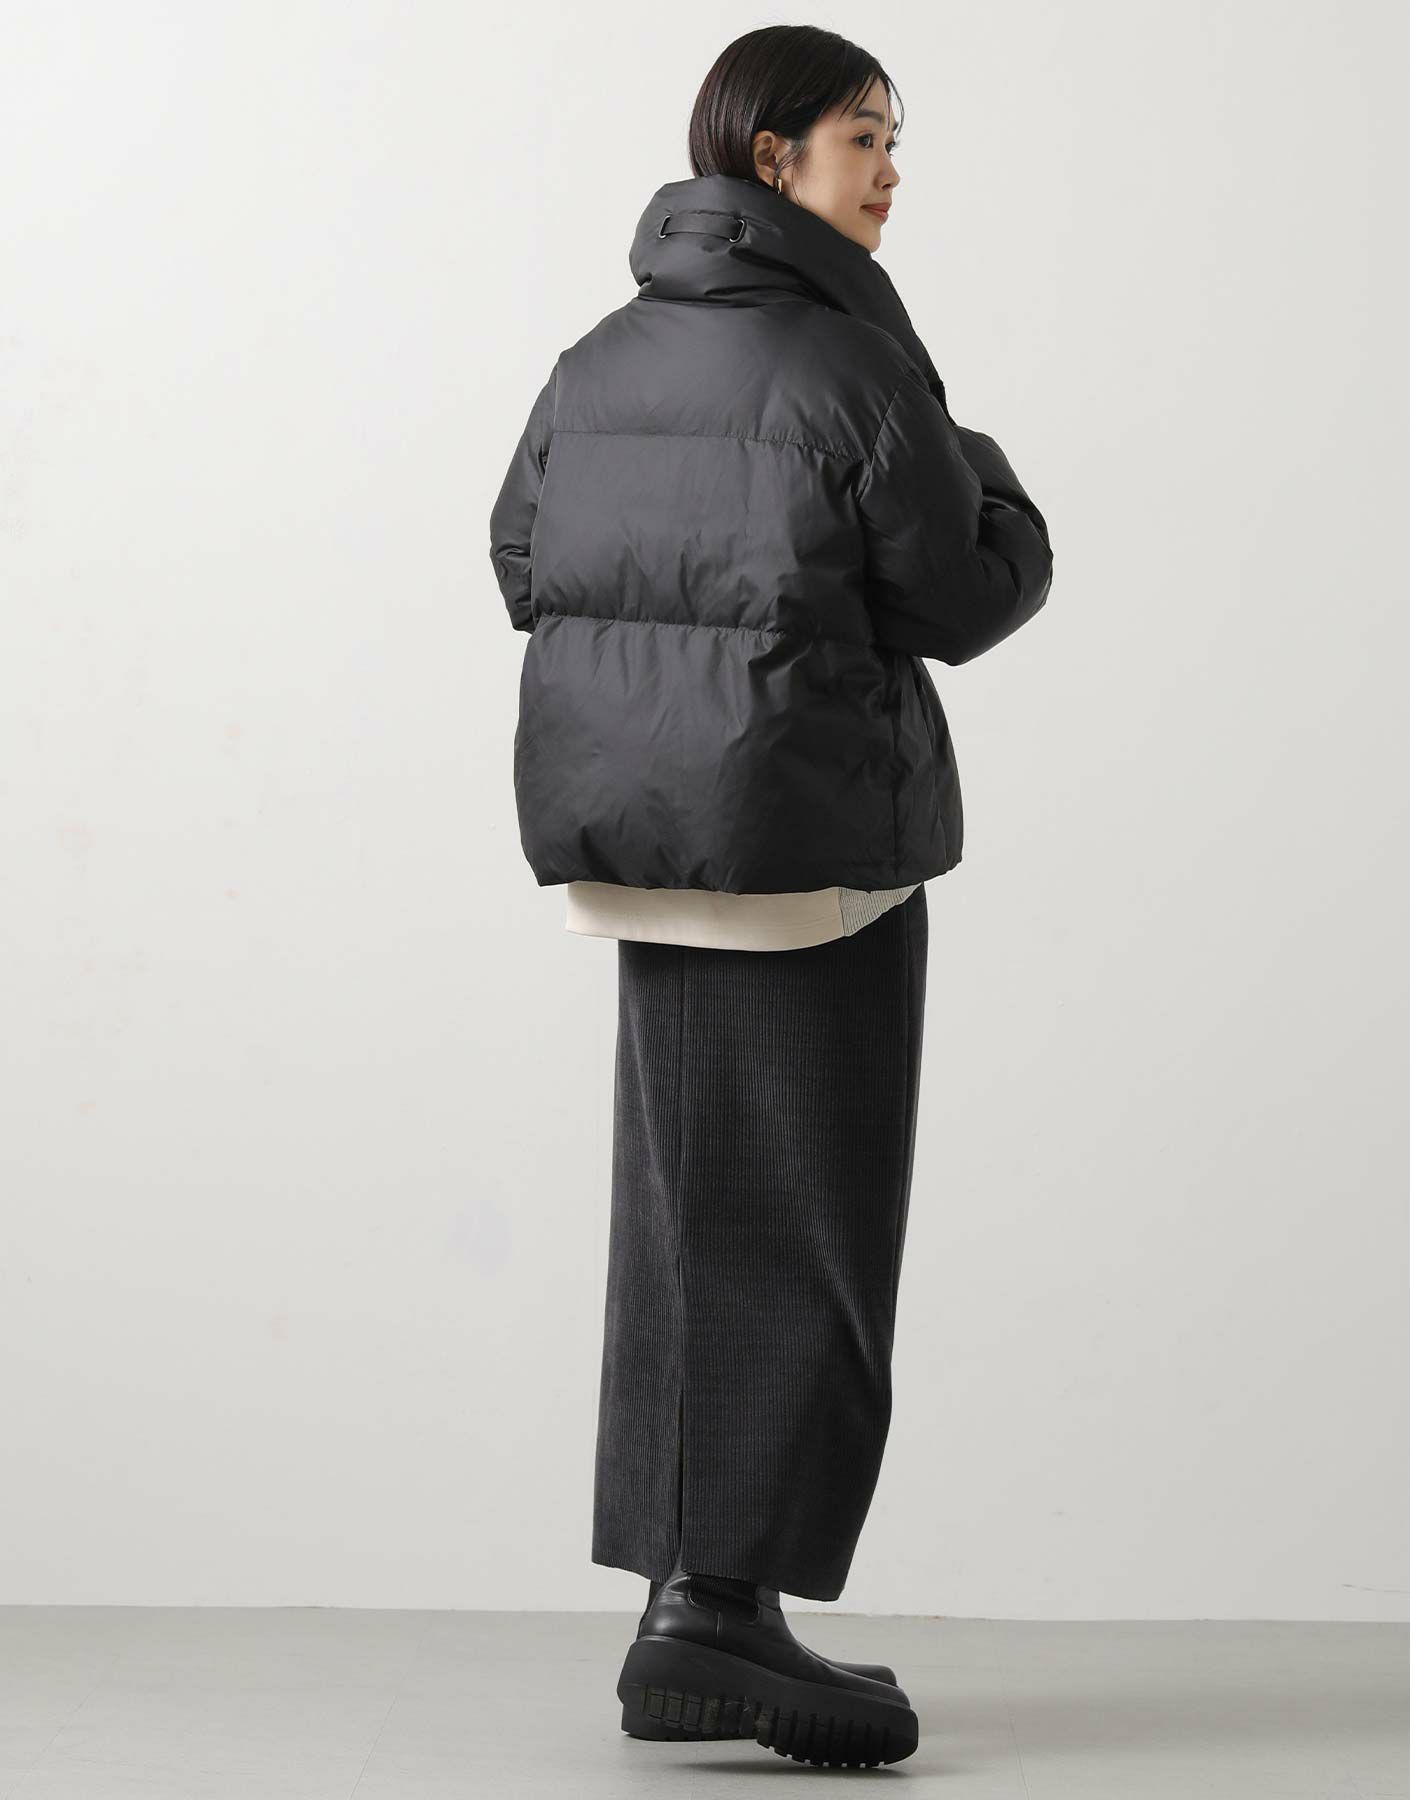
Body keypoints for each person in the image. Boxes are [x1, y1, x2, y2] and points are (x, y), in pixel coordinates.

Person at [488, 24, 1053, 1767]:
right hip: (809, 860)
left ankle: (686, 1604)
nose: (889, 171)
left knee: (681, 1227)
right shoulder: (850, 361)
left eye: (891, 138)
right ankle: (724, 1611)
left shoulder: (595, 361)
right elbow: (964, 590)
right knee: (808, 1226)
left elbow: (520, 557)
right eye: (862, 136)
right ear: (768, 159)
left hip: (646, 856)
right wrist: (988, 468)